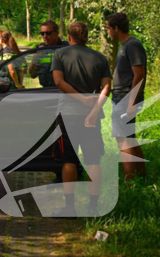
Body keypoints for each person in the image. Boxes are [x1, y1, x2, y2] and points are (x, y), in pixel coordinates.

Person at [51, 21, 112, 216]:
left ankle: (70, 208)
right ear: (86, 37)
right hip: (92, 117)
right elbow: (106, 88)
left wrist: (81, 99)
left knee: (69, 160)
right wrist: (94, 110)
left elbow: (58, 81)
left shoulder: (60, 54)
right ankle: (93, 207)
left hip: (68, 114)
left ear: (69, 37)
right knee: (93, 160)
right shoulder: (100, 58)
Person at [106, 12, 148, 181]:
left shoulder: (132, 45)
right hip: (121, 97)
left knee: (122, 139)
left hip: (125, 98)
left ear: (116, 28)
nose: (108, 32)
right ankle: (142, 176)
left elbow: (139, 74)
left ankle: (129, 181)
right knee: (129, 138)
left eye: (108, 28)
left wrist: (131, 102)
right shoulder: (125, 45)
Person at [29, 20, 69, 87]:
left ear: (56, 33)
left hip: (64, 89)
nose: (45, 36)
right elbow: (32, 74)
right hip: (46, 89)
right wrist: (36, 56)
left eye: (48, 33)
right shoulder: (40, 49)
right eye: (42, 33)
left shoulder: (67, 47)